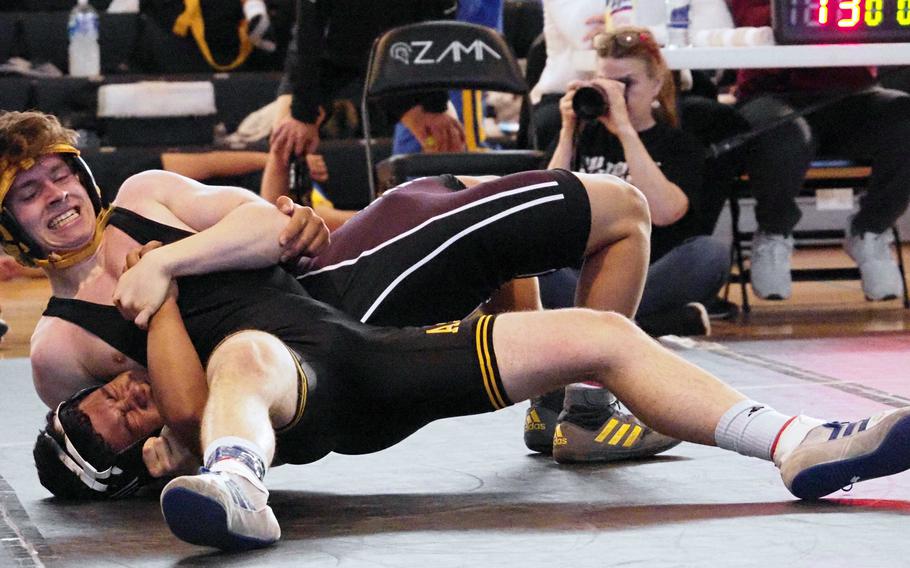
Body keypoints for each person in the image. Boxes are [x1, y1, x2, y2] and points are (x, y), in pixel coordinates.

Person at [34, 238, 910, 552]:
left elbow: (267, 222)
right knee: (248, 356)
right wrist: (181, 453)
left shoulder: (150, 246)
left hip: (375, 353)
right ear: (136, 464)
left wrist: (167, 259)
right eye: (112, 426)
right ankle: (236, 481)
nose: (122, 401)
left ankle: (796, 442)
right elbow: (180, 412)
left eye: (103, 399)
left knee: (601, 337)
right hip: (296, 388)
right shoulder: (153, 351)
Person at [0, 110, 672, 464]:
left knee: (619, 211)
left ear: (84, 175)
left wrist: (165, 265)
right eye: (29, 194)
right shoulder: (60, 347)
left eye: (59, 175)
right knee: (616, 209)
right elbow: (124, 449)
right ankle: (571, 406)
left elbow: (268, 224)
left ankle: (572, 407)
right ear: (12, 230)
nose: (55, 196)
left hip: (337, 295)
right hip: (307, 370)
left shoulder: (145, 197)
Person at [547, 27, 729, 338]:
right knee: (529, 265)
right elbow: (545, 209)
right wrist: (567, 133)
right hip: (583, 272)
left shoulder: (679, 144)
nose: (615, 93)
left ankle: (591, 325)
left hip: (652, 270)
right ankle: (650, 325)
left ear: (656, 84)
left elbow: (665, 213)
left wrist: (625, 131)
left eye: (625, 84)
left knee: (710, 254)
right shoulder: (584, 137)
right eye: (605, 84)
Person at [731, 0, 910, 302]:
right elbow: (757, 21)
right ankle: (774, 231)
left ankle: (871, 230)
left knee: (905, 117)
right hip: (771, 95)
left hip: (853, 94)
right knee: (783, 136)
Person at [260, 0, 467, 203]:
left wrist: (434, 105)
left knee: (448, 140)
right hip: (326, 58)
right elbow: (309, 27)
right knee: (285, 144)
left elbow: (439, 24)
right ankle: (274, 229)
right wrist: (302, 113)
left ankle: (447, 225)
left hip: (395, 56)